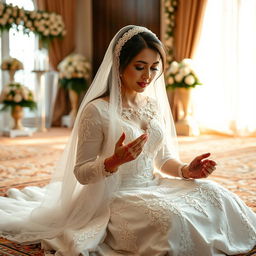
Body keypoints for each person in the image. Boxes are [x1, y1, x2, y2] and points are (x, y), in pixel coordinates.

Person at [0, 25, 256, 256]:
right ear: (120, 66)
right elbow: (81, 172)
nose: (148, 76)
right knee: (172, 219)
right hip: (117, 197)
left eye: (154, 68)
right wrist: (113, 161)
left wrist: (185, 170)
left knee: (217, 195)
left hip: (155, 184)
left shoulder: (154, 105)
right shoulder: (96, 110)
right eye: (139, 66)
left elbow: (163, 158)